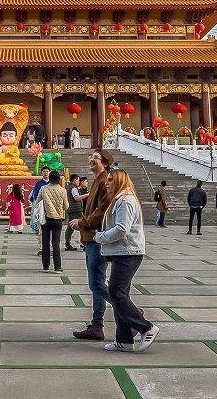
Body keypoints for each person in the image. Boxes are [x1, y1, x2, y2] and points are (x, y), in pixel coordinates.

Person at [94, 168, 159, 353]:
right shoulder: (119, 199)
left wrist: (100, 237)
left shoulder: (125, 200)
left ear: (119, 180)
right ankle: (124, 340)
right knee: (119, 294)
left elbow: (122, 229)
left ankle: (145, 327)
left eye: (110, 179)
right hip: (122, 252)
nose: (106, 183)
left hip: (128, 252)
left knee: (116, 293)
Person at [70, 150, 114, 340]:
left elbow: (102, 212)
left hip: (97, 237)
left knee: (96, 283)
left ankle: (132, 312)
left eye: (95, 157)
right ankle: (97, 325)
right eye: (90, 156)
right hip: (91, 238)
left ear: (105, 163)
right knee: (98, 283)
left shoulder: (105, 182)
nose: (91, 159)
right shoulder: (97, 180)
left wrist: (82, 223)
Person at [39, 171, 69, 273]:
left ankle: (46, 266)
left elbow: (38, 201)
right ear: (58, 179)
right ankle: (57, 267)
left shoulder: (43, 189)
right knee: (56, 243)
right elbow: (66, 206)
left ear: (50, 178)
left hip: (46, 219)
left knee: (45, 242)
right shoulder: (63, 190)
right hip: (58, 220)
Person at [64, 174, 83, 251]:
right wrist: (87, 195)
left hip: (70, 209)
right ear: (75, 180)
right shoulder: (73, 188)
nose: (79, 182)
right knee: (83, 225)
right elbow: (77, 198)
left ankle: (67, 244)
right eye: (78, 180)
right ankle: (84, 243)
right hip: (76, 210)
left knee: (70, 227)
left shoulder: (68, 187)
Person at [30, 167, 51, 236]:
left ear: (50, 172)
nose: (46, 173)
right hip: (41, 203)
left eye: (47, 171)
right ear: (41, 173)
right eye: (44, 171)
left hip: (50, 203)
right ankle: (38, 229)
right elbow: (36, 194)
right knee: (40, 217)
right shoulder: (38, 183)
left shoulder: (51, 183)